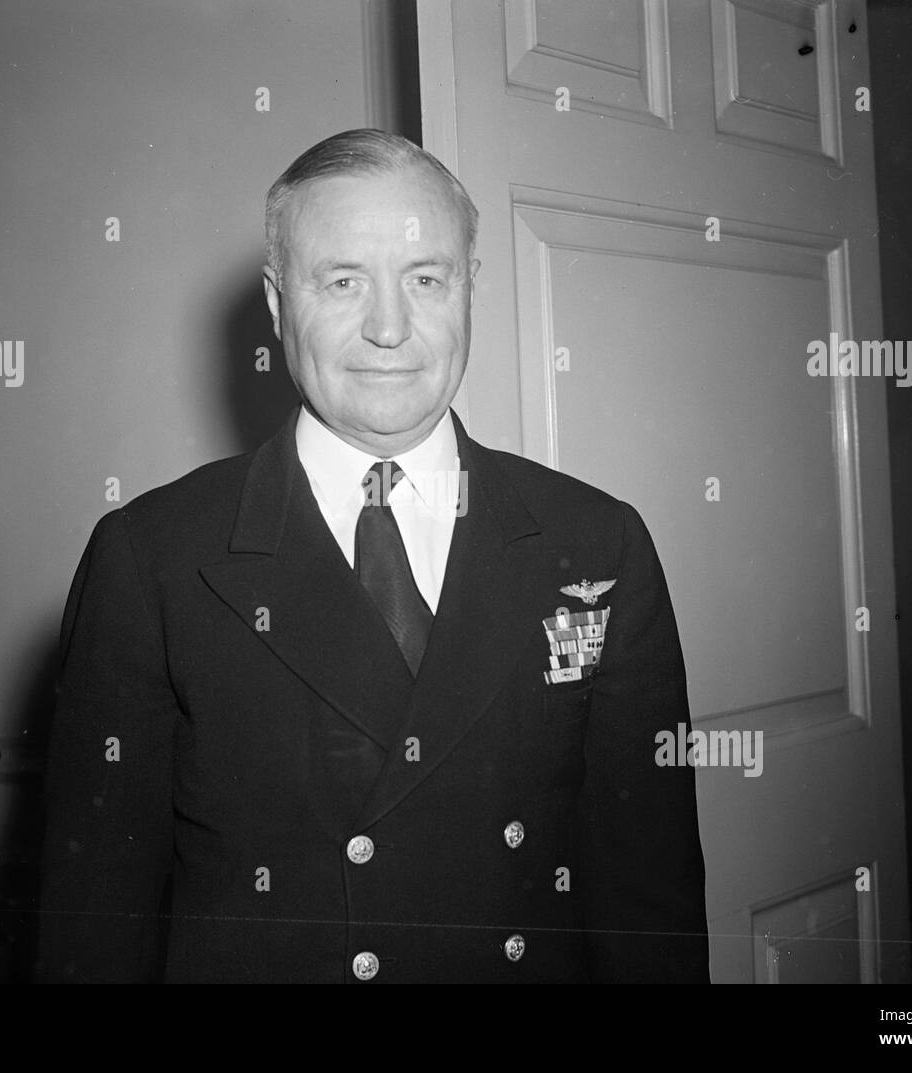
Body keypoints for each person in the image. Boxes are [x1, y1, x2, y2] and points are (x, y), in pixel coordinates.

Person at [37, 128, 709, 983]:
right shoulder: (152, 559)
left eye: (426, 279)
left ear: (470, 290)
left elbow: (650, 902)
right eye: (343, 280)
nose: (390, 328)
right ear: (280, 306)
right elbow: (95, 922)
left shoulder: (598, 543)